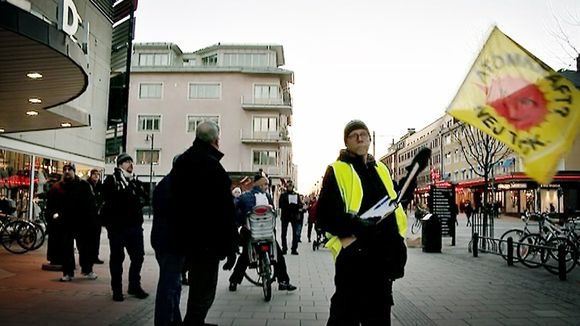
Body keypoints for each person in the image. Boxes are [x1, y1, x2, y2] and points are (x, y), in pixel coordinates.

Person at [317, 120, 411, 326]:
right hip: (353, 258)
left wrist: (397, 248)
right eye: (354, 135)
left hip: (381, 259)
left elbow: (392, 207)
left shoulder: (382, 169)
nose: (360, 138)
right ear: (346, 142)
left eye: (364, 134)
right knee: (344, 316)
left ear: (369, 139)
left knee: (379, 317)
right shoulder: (337, 170)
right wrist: (355, 224)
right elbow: (325, 215)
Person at [170, 120, 238, 326]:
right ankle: (194, 322)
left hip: (184, 239)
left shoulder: (182, 162)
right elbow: (225, 211)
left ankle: (194, 320)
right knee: (204, 291)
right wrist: (231, 247)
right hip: (208, 244)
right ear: (216, 140)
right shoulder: (213, 167)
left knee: (196, 287)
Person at [227, 174, 297, 292]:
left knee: (245, 258)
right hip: (262, 232)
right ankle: (283, 281)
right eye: (265, 184)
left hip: (256, 231)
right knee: (277, 256)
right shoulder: (262, 197)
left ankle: (234, 281)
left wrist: (240, 220)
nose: (266, 186)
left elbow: (234, 208)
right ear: (259, 184)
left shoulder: (251, 196)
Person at [101, 153, 149, 302]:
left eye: (131, 161)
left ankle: (134, 285)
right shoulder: (112, 180)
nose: (130, 164)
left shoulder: (135, 181)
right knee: (117, 258)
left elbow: (146, 197)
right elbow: (110, 198)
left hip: (134, 226)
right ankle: (117, 289)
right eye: (126, 162)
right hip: (117, 227)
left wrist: (134, 186)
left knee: (138, 256)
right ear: (120, 165)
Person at [45, 163, 99, 282]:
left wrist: (91, 220)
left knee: (84, 247)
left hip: (81, 222)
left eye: (70, 169)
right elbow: (51, 205)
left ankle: (87, 270)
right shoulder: (57, 187)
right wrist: (54, 217)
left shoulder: (83, 185)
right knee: (66, 248)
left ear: (74, 171)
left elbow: (90, 204)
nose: (67, 171)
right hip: (64, 223)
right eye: (65, 169)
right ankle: (68, 272)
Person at [151, 155, 186, 326]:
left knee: (173, 284)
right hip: (171, 243)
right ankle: (165, 321)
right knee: (170, 285)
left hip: (166, 241)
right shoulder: (174, 185)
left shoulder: (168, 183)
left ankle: (174, 320)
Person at [278, 181, 303, 255]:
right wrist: (287, 204)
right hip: (285, 216)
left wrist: (296, 205)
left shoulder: (296, 195)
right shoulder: (283, 195)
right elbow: (280, 205)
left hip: (294, 216)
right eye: (288, 186)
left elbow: (300, 204)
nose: (290, 187)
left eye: (291, 186)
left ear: (293, 187)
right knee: (283, 233)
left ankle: (294, 249)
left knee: (295, 233)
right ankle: (284, 248)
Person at [87, 169, 105, 264]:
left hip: (97, 216)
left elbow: (102, 198)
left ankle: (95, 256)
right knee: (89, 238)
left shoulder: (100, 186)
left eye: (97, 175)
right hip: (89, 216)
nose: (96, 176)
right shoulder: (87, 185)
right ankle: (89, 256)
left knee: (96, 237)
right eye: (94, 175)